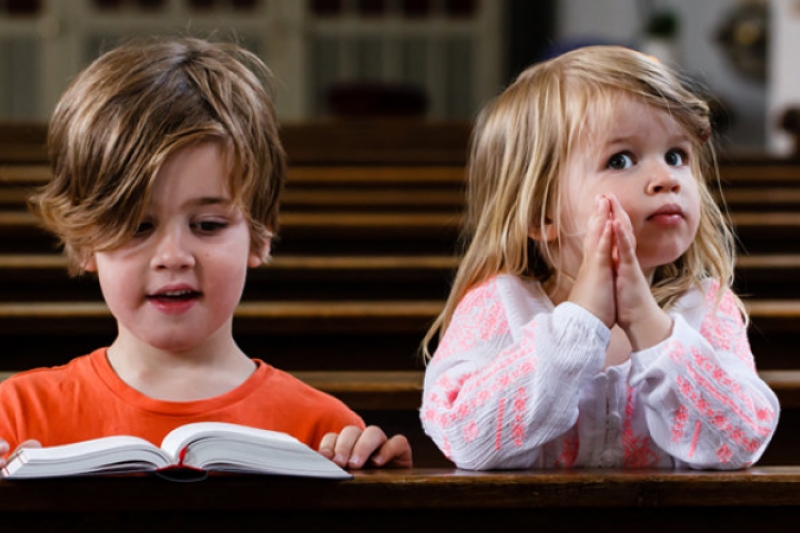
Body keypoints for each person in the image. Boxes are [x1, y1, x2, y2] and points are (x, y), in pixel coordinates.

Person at [0, 36, 411, 471]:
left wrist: (384, 493)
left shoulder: (325, 433)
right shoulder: (15, 418)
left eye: (208, 226)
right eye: (138, 226)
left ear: (259, 235)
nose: (174, 256)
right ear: (85, 242)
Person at [419, 45, 779, 470]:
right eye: (621, 160)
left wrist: (649, 324)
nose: (666, 178)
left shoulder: (706, 308)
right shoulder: (499, 306)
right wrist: (581, 320)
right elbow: (465, 439)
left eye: (676, 155)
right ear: (541, 213)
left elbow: (738, 444)